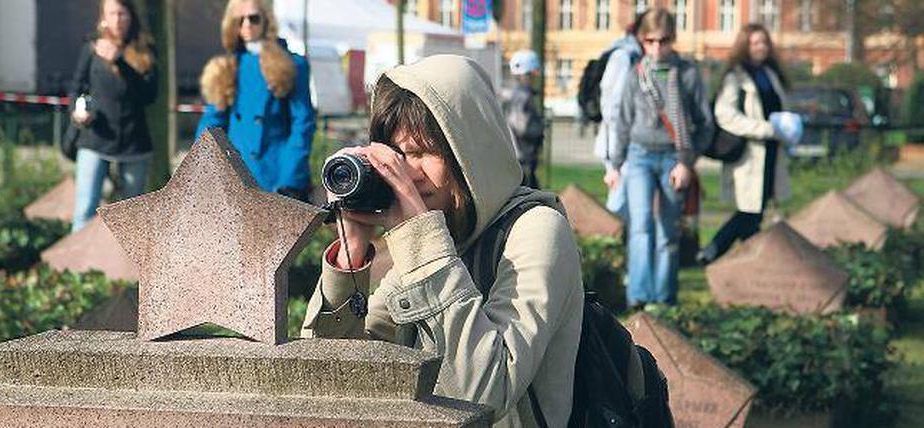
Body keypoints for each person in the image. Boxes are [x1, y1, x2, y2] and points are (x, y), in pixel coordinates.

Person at [302, 55, 583, 427]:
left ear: (468, 152)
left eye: (422, 153)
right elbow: (330, 373)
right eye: (398, 155)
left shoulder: (538, 230)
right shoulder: (442, 234)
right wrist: (351, 254)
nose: (408, 172)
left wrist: (421, 236)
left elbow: (481, 395)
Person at [609, 9, 713, 308]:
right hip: (639, 155)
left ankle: (665, 299)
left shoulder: (688, 74)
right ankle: (639, 298)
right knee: (640, 226)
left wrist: (687, 162)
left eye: (663, 41)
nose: (657, 48)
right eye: (650, 41)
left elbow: (705, 124)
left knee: (667, 231)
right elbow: (622, 121)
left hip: (673, 157)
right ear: (642, 41)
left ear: (673, 40)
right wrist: (615, 164)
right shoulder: (636, 73)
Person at [697, 24, 799, 264]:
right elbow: (725, 114)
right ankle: (713, 252)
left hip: (772, 151)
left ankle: (748, 261)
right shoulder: (736, 77)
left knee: (756, 212)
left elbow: (780, 108)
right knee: (749, 211)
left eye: (764, 42)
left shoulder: (771, 75)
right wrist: (764, 129)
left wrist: (787, 127)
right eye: (755, 43)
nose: (760, 47)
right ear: (745, 46)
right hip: (748, 154)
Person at [195, 0, 315, 201]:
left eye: (254, 18)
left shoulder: (293, 64)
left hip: (277, 173)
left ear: (266, 20)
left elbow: (302, 122)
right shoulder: (226, 68)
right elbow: (212, 123)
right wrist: (202, 167)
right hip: (236, 172)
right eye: (240, 20)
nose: (247, 25)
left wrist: (290, 177)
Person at [69, 0, 157, 232]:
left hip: (133, 141)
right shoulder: (92, 48)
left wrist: (120, 62)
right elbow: (76, 88)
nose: (117, 20)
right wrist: (77, 113)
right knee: (85, 208)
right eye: (112, 14)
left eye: (122, 14)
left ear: (131, 16)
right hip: (95, 135)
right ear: (103, 17)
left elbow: (149, 95)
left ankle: (126, 267)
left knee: (131, 216)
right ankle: (78, 265)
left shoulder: (144, 50)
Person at [594, 13, 645, 221]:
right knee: (619, 197)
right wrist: (624, 133)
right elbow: (614, 103)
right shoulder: (625, 56)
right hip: (618, 140)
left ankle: (615, 241)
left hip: (624, 139)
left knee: (625, 196)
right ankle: (611, 242)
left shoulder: (633, 55)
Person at [501, 50, 545, 188]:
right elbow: (523, 127)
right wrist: (540, 126)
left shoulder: (508, 93)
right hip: (521, 159)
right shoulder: (521, 96)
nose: (535, 79)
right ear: (526, 75)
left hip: (513, 157)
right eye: (533, 74)